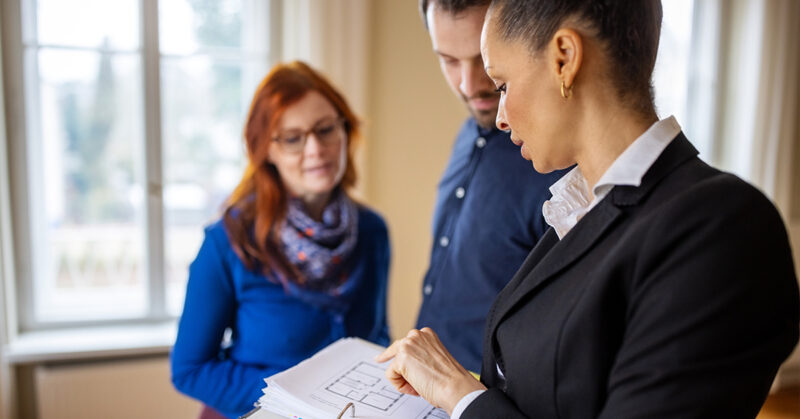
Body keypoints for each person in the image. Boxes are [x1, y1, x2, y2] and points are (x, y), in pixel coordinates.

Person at [377, 0, 800, 417]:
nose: (500, 116)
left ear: (564, 57)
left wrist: (459, 394)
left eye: (502, 84)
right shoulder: (576, 210)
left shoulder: (722, 228)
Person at [171, 61, 390, 419]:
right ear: (266, 149)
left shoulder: (372, 230)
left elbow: (376, 336)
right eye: (293, 138)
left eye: (325, 129)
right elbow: (190, 369)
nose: (316, 149)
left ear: (345, 130)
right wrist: (300, 401)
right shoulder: (227, 241)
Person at [415, 0, 567, 374]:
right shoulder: (468, 135)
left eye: (482, 57)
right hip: (424, 386)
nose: (470, 85)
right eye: (449, 60)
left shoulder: (557, 163)